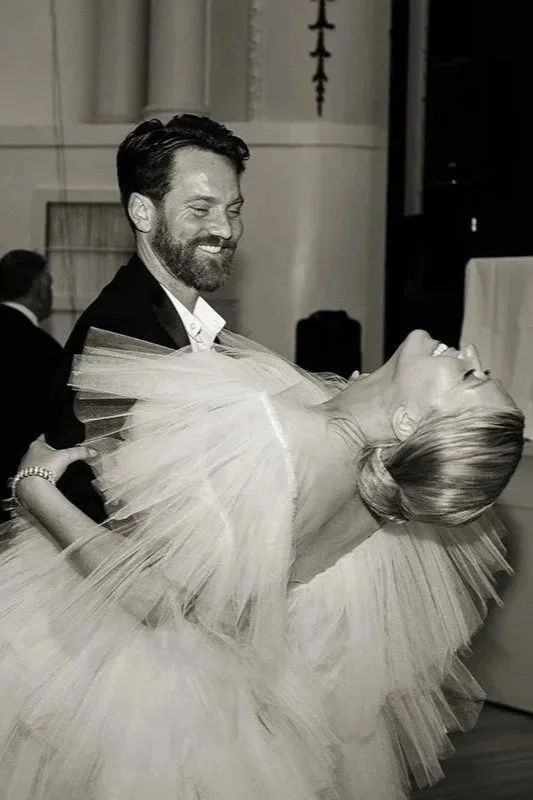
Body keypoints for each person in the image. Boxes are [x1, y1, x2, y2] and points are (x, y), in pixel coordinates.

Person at [0, 328, 523, 799]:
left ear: (409, 422)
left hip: (143, 698)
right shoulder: (381, 491)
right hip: (242, 703)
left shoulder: (277, 440)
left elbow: (158, 600)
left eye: (470, 378)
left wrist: (35, 490)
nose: (471, 353)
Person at [45, 114, 249, 521]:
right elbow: (105, 511)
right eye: (200, 209)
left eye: (233, 209)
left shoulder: (195, 327)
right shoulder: (120, 333)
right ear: (143, 212)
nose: (225, 229)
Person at [0, 249, 62, 522]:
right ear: (38, 289)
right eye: (49, 286)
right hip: (13, 483)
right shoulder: (44, 349)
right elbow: (52, 423)